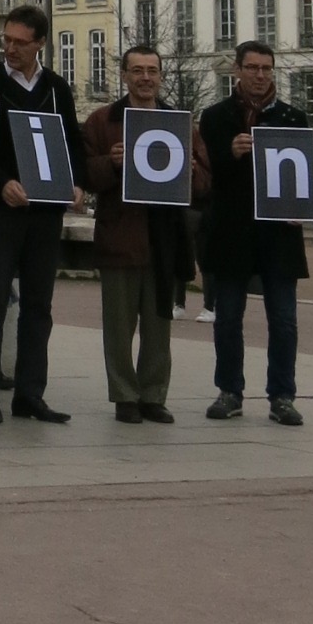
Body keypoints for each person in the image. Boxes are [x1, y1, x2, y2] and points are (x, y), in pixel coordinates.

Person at [0, 3, 85, 426]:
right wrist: (1, 183)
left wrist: (76, 183)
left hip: (45, 213)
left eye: (20, 42)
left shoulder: (57, 89)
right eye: (7, 41)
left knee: (39, 305)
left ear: (40, 43)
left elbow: (71, 142)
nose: (11, 49)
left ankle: (31, 394)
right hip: (2, 209)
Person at [79, 45, 207, 423]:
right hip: (120, 234)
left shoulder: (179, 122)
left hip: (164, 237)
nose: (146, 77)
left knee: (158, 325)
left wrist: (193, 171)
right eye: (137, 70)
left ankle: (153, 395)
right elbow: (84, 174)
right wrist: (111, 163)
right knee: (118, 325)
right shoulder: (102, 121)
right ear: (124, 75)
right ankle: (124, 396)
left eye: (152, 70)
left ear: (161, 76)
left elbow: (203, 184)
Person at [199, 42, 310, 427]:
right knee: (227, 317)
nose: (260, 75)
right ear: (237, 70)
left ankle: (282, 396)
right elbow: (205, 176)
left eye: (266, 68)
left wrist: (301, 207)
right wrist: (229, 152)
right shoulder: (214, 118)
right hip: (231, 231)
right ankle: (229, 390)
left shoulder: (295, 119)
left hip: (279, 235)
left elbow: (302, 176)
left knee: (283, 321)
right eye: (252, 67)